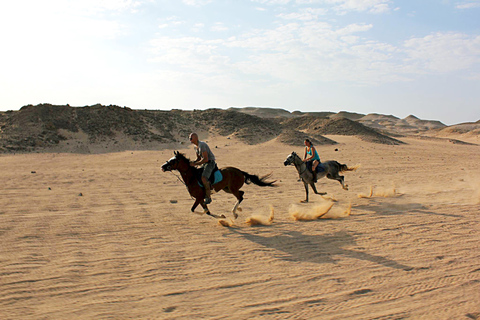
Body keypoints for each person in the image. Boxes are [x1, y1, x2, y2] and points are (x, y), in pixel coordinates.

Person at [189, 133, 216, 204]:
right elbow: (199, 158)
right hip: (204, 163)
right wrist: (192, 162)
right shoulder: (195, 147)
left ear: (195, 138)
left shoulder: (202, 145)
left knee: (204, 178)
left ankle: (208, 197)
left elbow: (206, 159)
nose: (190, 140)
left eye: (191, 138)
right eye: (189, 138)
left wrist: (195, 164)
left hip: (210, 163)